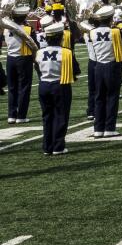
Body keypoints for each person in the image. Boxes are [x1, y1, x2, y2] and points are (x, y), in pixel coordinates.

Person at [86, 4, 122, 138]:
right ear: (110, 18)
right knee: (112, 97)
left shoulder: (92, 32)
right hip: (111, 65)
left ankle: (98, 128)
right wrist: (119, 23)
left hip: (98, 66)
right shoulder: (115, 31)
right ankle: (109, 128)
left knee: (99, 98)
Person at [34, 21, 74, 155]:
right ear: (60, 37)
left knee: (47, 116)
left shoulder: (39, 52)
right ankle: (58, 146)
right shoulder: (66, 52)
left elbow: (37, 68)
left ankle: (47, 147)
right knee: (60, 115)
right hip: (60, 85)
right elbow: (75, 70)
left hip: (44, 85)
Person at [5, 2, 36, 124]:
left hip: (10, 59)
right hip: (24, 59)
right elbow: (35, 46)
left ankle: (11, 115)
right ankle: (21, 116)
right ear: (24, 17)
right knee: (24, 87)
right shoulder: (28, 29)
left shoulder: (6, 30)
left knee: (12, 88)